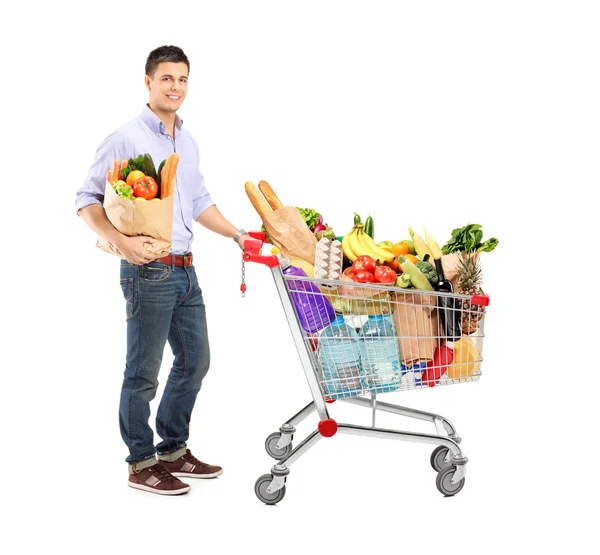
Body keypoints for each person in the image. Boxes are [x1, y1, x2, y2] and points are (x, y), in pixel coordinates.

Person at [75, 45, 250, 496]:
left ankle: (173, 450)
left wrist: (237, 236)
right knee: (143, 373)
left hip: (186, 271)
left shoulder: (187, 141)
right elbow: (86, 200)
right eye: (167, 78)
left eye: (183, 79)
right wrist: (122, 242)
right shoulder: (125, 138)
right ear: (148, 82)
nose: (175, 87)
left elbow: (200, 203)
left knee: (196, 361)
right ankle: (140, 463)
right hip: (146, 272)